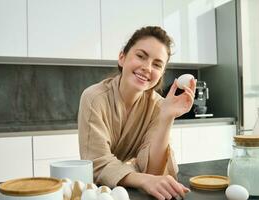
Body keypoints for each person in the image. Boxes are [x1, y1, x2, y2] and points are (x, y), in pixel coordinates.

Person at [78, 26, 196, 200]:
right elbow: (97, 162)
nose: (147, 68)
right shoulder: (94, 98)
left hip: (130, 191)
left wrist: (166, 118)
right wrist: (142, 179)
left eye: (157, 64)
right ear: (122, 57)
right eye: (141, 56)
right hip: (97, 192)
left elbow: (153, 172)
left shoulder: (158, 106)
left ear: (162, 73)